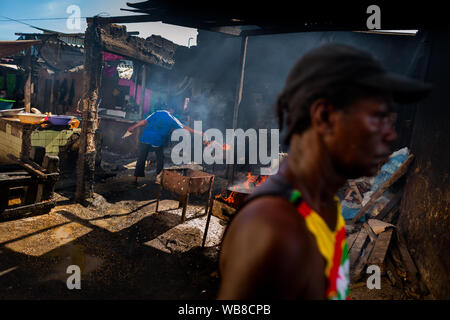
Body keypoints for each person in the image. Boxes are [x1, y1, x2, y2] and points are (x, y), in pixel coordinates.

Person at [218, 43, 431, 300]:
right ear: (324, 115)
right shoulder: (273, 227)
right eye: (377, 117)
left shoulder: (325, 205)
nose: (390, 133)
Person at [128, 107, 203, 184]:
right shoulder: (172, 118)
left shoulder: (157, 113)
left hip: (145, 138)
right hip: (156, 141)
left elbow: (144, 122)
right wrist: (198, 132)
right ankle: (158, 177)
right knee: (160, 158)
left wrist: (133, 127)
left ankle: (134, 179)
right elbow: (185, 128)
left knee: (141, 158)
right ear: (172, 110)